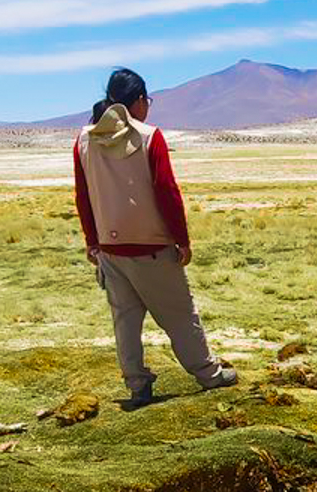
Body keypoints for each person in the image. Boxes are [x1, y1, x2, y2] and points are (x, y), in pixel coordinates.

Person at [74, 67, 236, 410]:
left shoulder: (84, 140)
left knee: (126, 321)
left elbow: (83, 195)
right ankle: (208, 374)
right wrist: (182, 239)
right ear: (138, 102)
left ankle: (137, 385)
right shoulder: (149, 136)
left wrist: (92, 240)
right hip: (152, 248)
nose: (148, 106)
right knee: (180, 315)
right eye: (146, 100)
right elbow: (166, 191)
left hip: (110, 249)